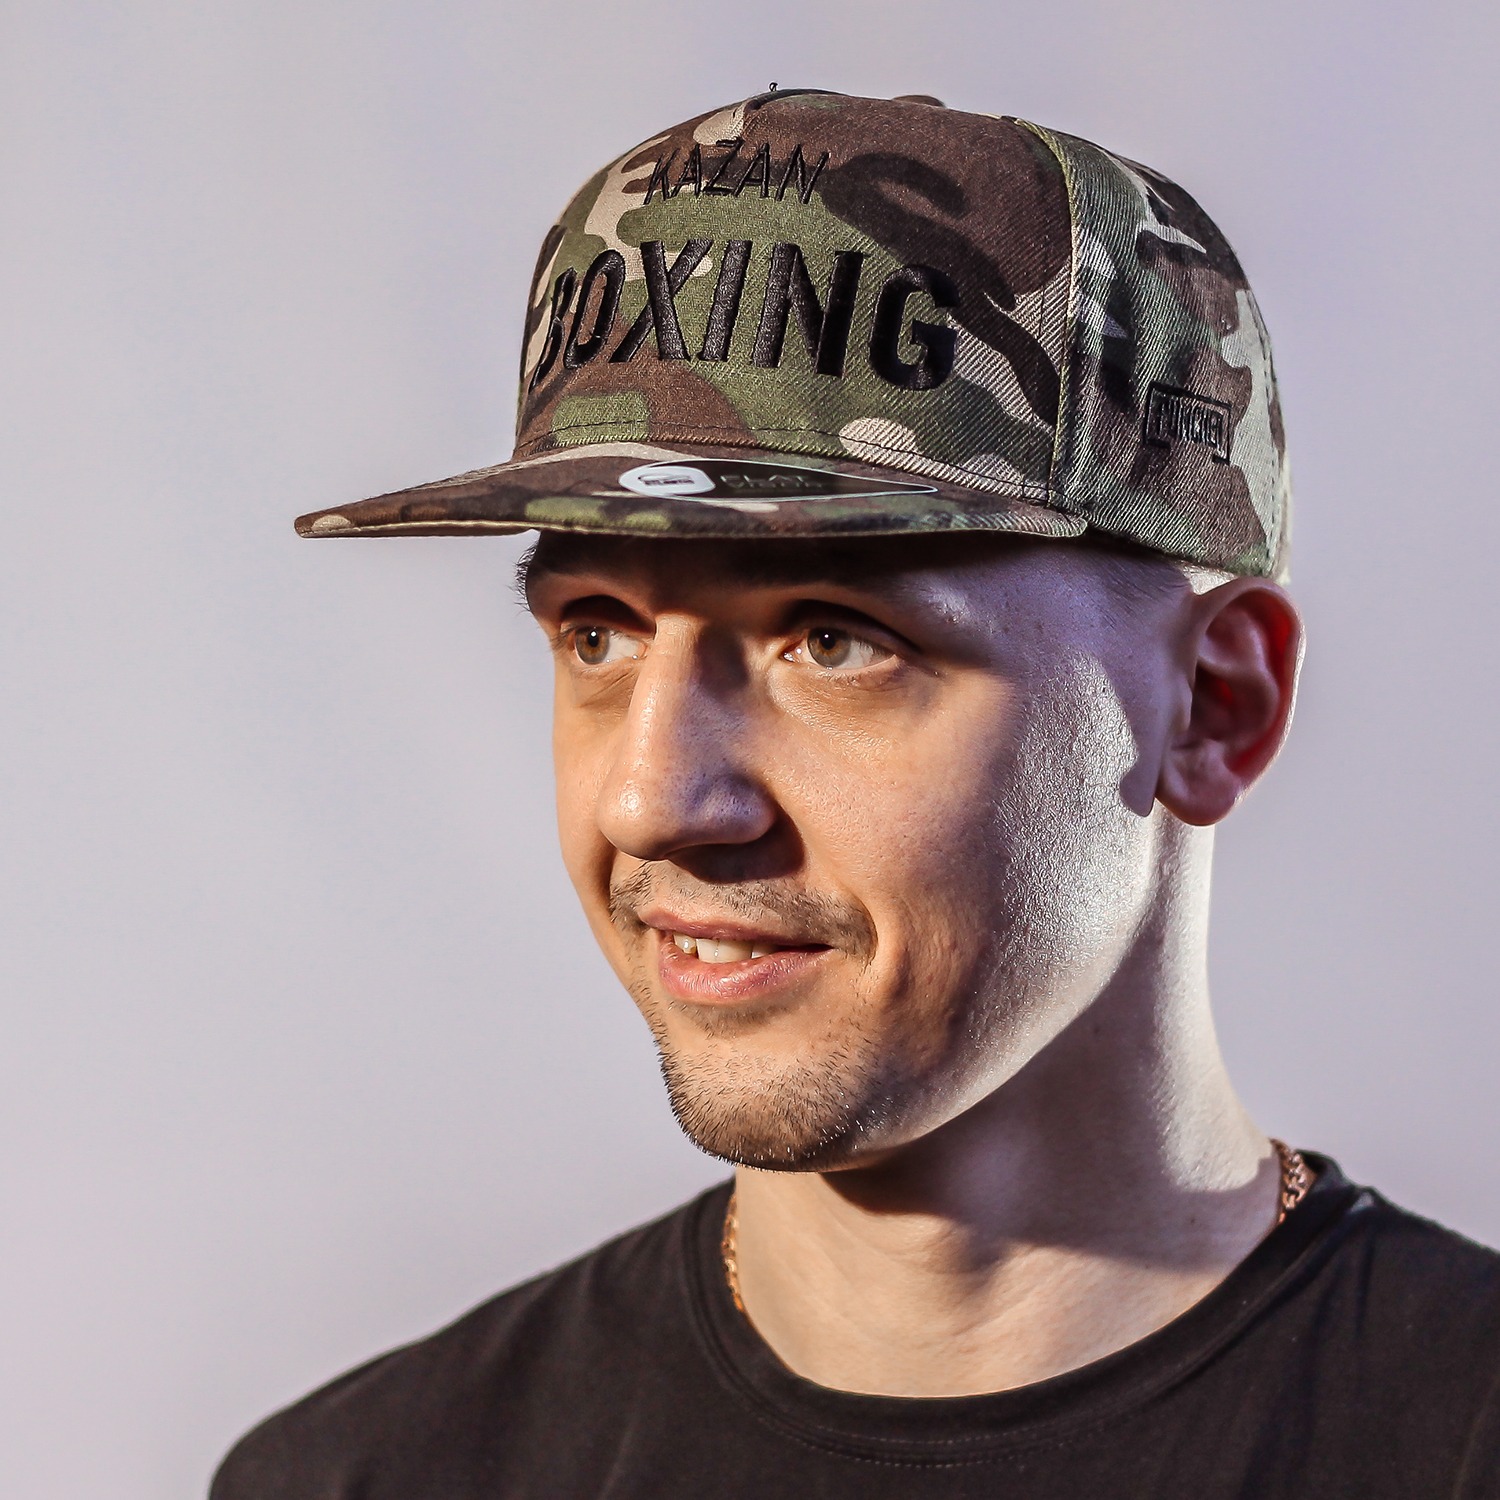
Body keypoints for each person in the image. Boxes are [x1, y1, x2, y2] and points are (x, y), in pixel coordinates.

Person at [212, 90, 1500, 1498]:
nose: (650, 800)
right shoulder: (368, 1478)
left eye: (834, 641)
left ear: (1213, 706)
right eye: (599, 636)